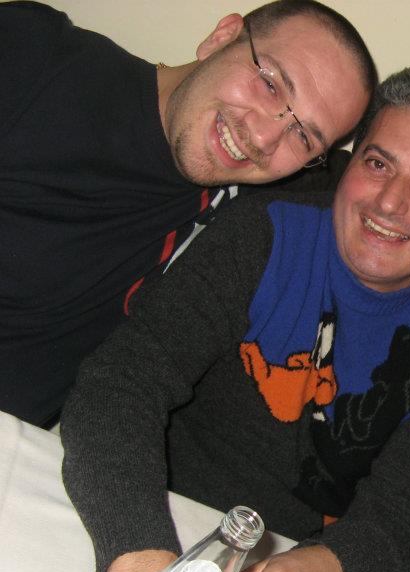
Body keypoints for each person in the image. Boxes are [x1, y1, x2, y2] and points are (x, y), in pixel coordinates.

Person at [60, 65, 410, 572]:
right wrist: (143, 570)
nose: (389, 203)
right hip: (138, 516)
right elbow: (121, 383)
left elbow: (407, 513)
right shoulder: (266, 232)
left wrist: (334, 568)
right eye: (378, 164)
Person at [0, 0, 377, 429]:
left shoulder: (247, 209)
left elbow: (390, 189)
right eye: (270, 84)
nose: (263, 137)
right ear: (221, 38)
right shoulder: (35, 55)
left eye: (304, 136)